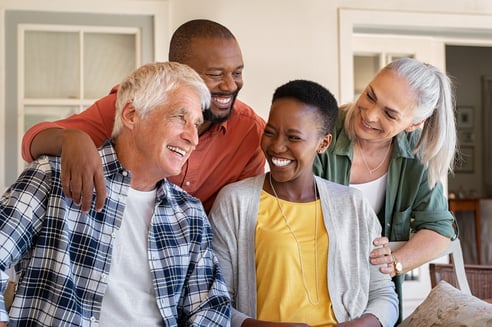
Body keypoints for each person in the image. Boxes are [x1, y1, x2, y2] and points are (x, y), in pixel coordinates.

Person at [0, 62, 231, 326]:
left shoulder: (189, 212)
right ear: (131, 115)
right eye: (180, 117)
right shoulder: (54, 175)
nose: (193, 137)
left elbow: (211, 308)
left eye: (196, 124)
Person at [21, 19, 265, 213]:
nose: (230, 86)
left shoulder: (251, 132)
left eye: (237, 73)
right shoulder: (136, 106)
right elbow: (32, 142)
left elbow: (236, 216)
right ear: (180, 71)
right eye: (216, 74)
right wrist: (71, 138)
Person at [209, 80, 399, 327]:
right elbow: (215, 303)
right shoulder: (235, 202)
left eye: (293, 137)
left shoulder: (353, 206)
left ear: (323, 143)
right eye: (270, 132)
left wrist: (360, 325)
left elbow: (384, 295)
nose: (277, 146)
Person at [313, 57, 457, 318]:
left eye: (390, 114)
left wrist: (395, 263)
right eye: (370, 95)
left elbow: (439, 228)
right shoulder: (322, 128)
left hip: (377, 294)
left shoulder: (417, 157)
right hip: (313, 283)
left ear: (414, 124)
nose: (368, 114)